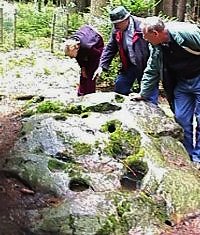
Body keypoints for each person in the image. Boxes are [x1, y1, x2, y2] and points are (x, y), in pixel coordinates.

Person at [133, 16, 200, 163]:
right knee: (181, 118)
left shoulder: (187, 34)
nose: (144, 39)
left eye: (145, 36)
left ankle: (198, 156)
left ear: (155, 34)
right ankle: (188, 155)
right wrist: (143, 93)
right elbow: (152, 69)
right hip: (181, 83)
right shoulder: (156, 46)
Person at [93, 6, 158, 104]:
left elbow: (156, 46)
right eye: (114, 24)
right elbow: (110, 48)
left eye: (118, 23)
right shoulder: (117, 30)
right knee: (120, 89)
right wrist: (101, 66)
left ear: (126, 19)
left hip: (146, 66)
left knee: (149, 96)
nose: (115, 26)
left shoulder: (143, 27)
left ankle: (153, 116)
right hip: (129, 65)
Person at [64, 25, 104, 96]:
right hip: (85, 33)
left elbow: (98, 56)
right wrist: (82, 67)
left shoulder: (88, 47)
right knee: (83, 74)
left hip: (97, 42)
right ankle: (81, 94)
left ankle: (90, 96)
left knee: (90, 74)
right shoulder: (72, 42)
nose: (70, 58)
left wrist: (98, 67)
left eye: (71, 55)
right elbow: (78, 57)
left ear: (75, 49)